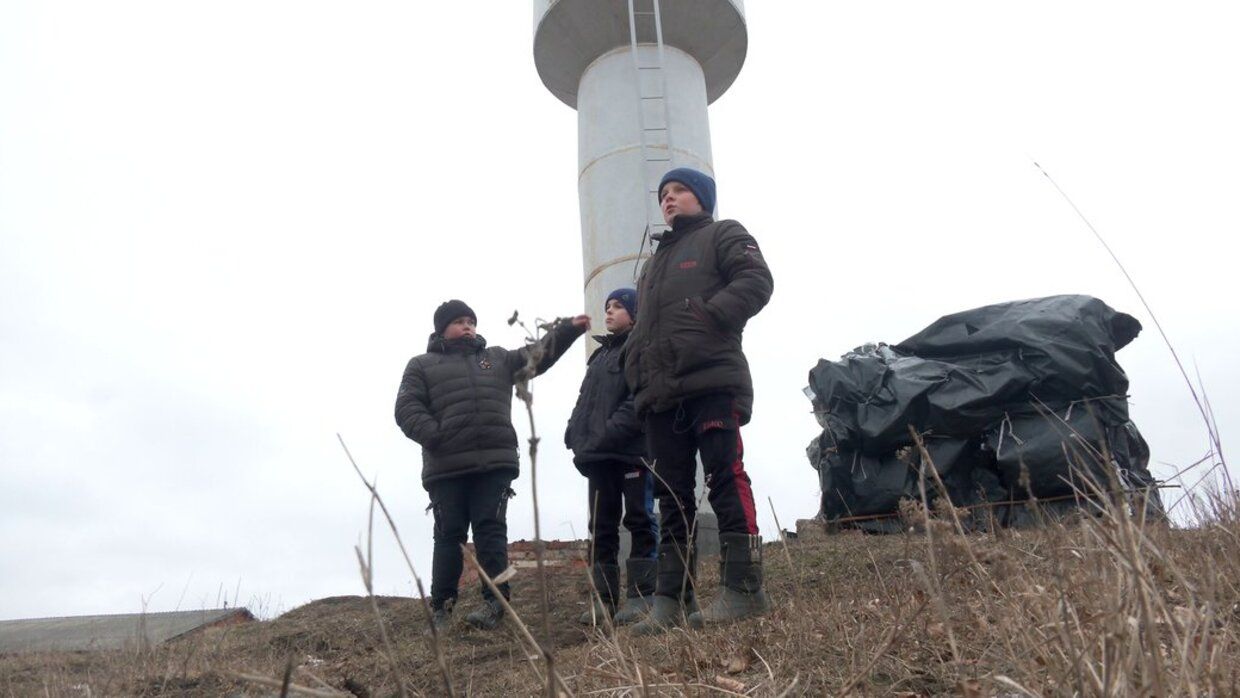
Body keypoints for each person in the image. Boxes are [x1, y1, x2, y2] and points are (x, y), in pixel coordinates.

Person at [622, 167, 775, 634]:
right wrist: (635, 372)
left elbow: (756, 281)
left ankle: (745, 589)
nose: (669, 200)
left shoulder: (723, 234)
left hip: (711, 381)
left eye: (680, 191)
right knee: (671, 498)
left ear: (702, 198)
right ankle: (671, 597)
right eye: (664, 194)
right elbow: (642, 330)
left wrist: (709, 317)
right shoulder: (650, 268)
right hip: (660, 395)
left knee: (725, 477)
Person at [395, 300, 589, 631]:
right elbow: (406, 407)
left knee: (491, 532)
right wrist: (436, 435)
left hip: (494, 463)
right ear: (442, 328)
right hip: (447, 467)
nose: (468, 326)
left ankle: (495, 604)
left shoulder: (496, 358)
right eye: (459, 321)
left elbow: (536, 355)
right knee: (448, 536)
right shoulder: (421, 365)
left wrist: (567, 330)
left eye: (471, 320)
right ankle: (442, 608)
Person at [564, 288, 658, 626]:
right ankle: (602, 601)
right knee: (601, 526)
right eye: (607, 307)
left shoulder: (641, 347)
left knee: (639, 519)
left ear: (634, 313)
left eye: (618, 307)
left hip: (633, 453)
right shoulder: (598, 358)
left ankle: (642, 596)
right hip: (599, 458)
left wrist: (606, 433)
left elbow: (638, 400)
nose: (609, 312)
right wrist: (573, 430)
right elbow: (584, 401)